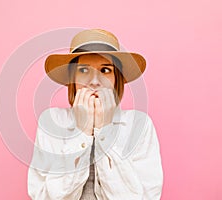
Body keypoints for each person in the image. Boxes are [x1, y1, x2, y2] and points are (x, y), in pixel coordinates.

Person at [28, 29, 163, 199]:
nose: (94, 81)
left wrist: (104, 131)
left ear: (117, 79)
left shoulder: (139, 124)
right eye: (84, 70)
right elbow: (45, 197)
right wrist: (82, 132)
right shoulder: (51, 121)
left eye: (105, 70)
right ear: (73, 78)